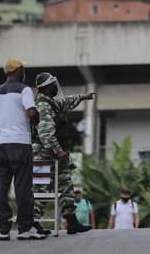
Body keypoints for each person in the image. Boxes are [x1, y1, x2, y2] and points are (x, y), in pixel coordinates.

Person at [0, 58, 45, 241]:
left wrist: (4, 125)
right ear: (18, 70)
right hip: (20, 144)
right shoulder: (24, 89)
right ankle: (25, 229)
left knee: (1, 187)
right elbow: (32, 112)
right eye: (22, 69)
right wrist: (35, 121)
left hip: (2, 145)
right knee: (23, 187)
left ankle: (3, 229)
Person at [31, 71, 96, 235]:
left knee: (66, 184)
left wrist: (83, 96)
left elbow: (66, 102)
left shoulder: (50, 103)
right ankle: (32, 223)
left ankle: (71, 221)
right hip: (44, 153)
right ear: (46, 87)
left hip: (55, 153)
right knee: (41, 187)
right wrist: (58, 150)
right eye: (52, 84)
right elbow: (46, 134)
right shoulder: (42, 106)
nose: (55, 87)